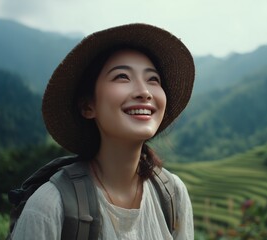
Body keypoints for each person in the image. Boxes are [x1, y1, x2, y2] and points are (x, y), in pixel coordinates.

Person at [11, 23, 195, 239]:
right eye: (122, 77)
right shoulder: (50, 207)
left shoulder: (172, 194)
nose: (145, 92)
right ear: (88, 106)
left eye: (153, 79)